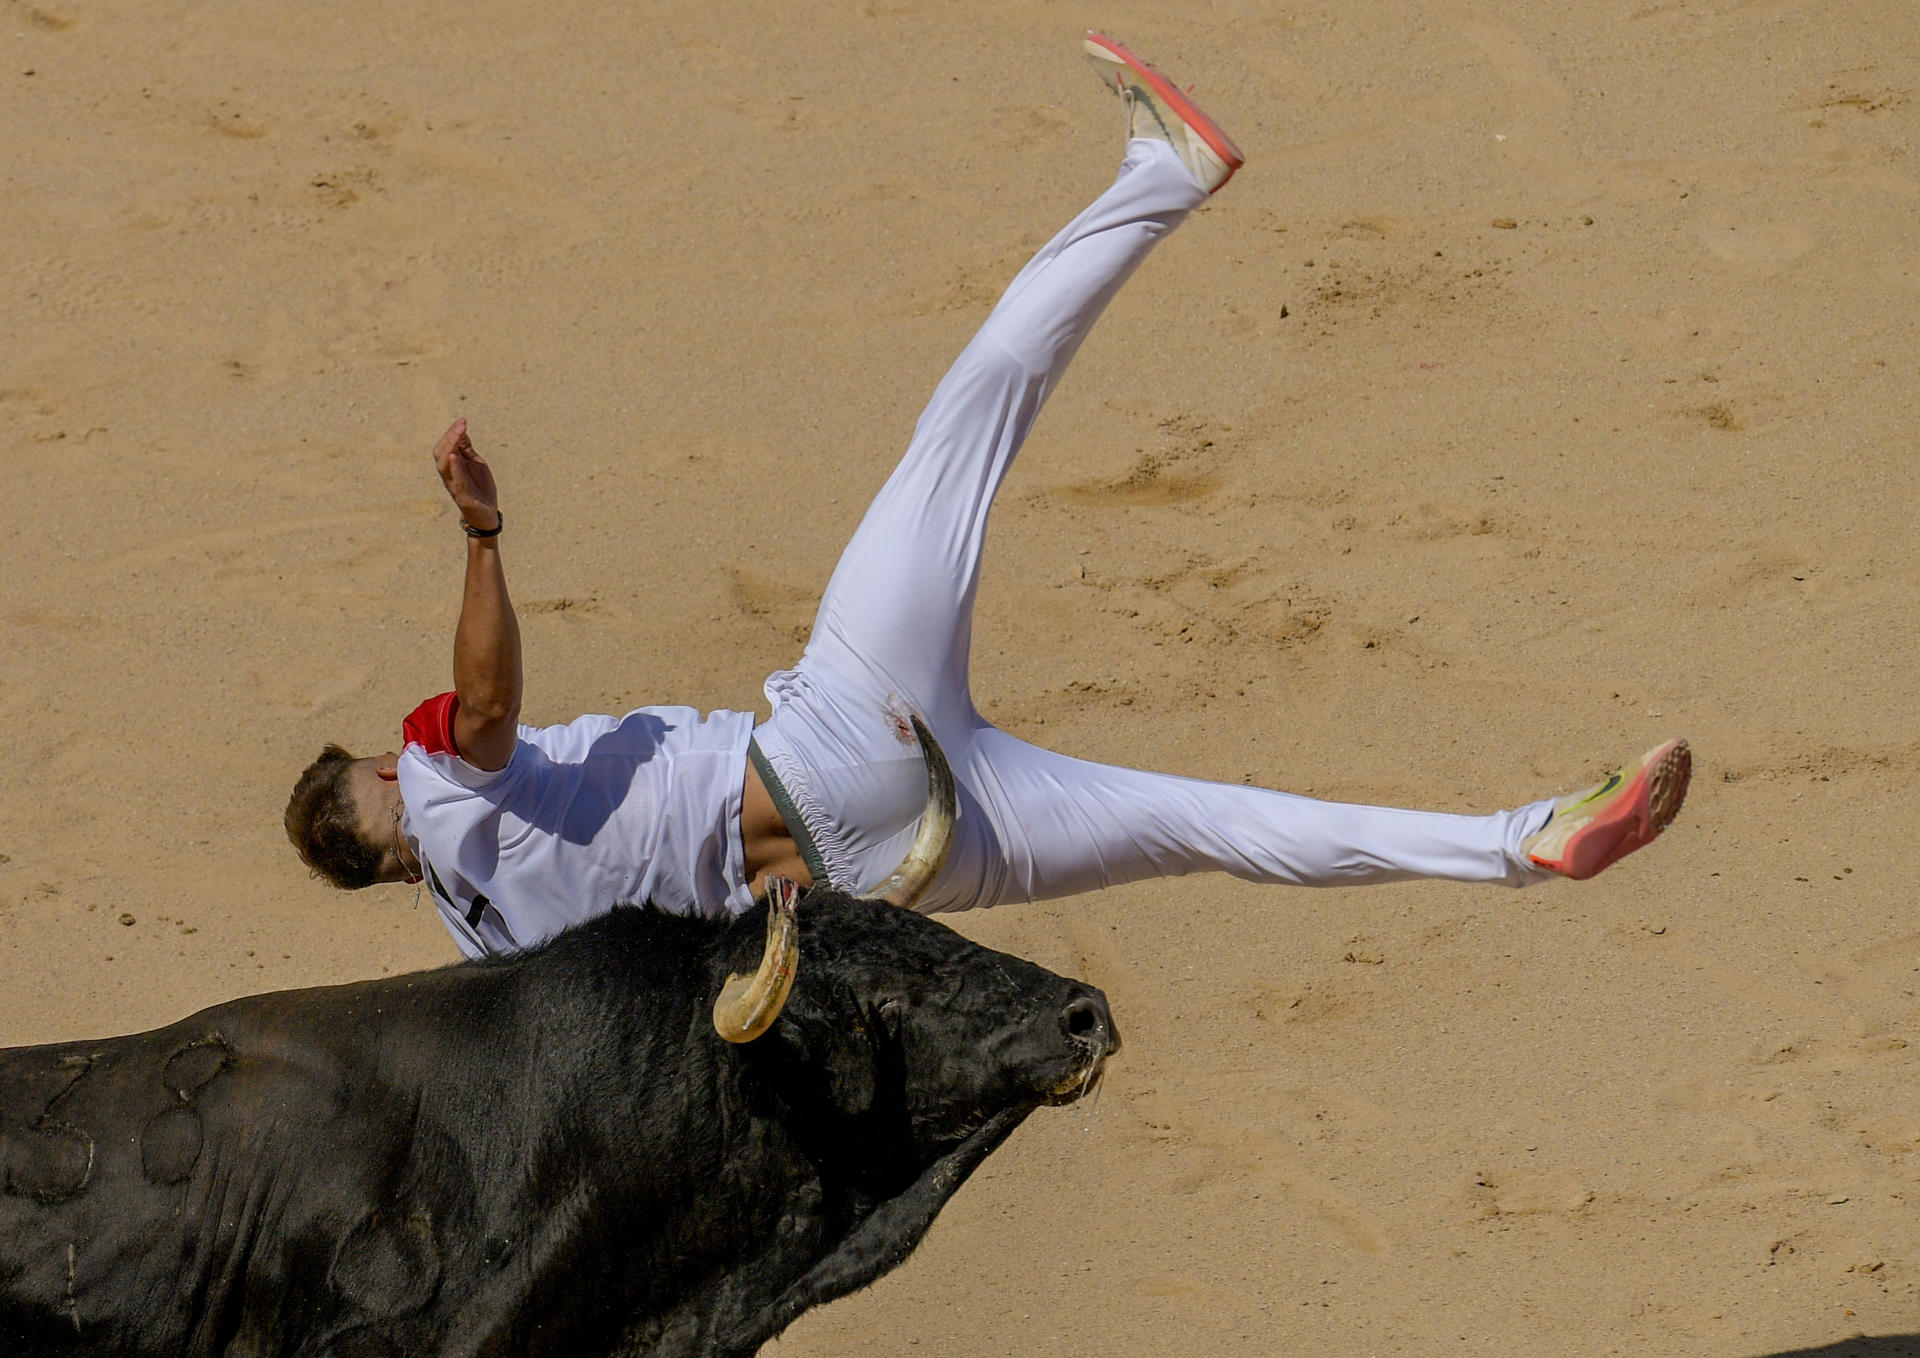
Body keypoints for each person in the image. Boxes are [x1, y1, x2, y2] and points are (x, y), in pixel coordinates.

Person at [285, 33, 1691, 961]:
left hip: (894, 870)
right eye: (380, 776)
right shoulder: (437, 776)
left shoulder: (490, 943)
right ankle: (1163, 172)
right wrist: (480, 532)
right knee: (967, 421)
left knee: (1220, 826)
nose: (401, 768)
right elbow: (477, 714)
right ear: (381, 812)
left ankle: (1524, 842)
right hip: (832, 737)